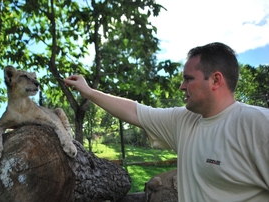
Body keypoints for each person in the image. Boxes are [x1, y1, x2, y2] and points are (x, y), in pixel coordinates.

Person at [64, 42, 269, 201]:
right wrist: (89, 92)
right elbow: (135, 111)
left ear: (215, 80)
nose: (181, 86)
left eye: (188, 79)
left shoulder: (258, 124)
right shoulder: (184, 121)